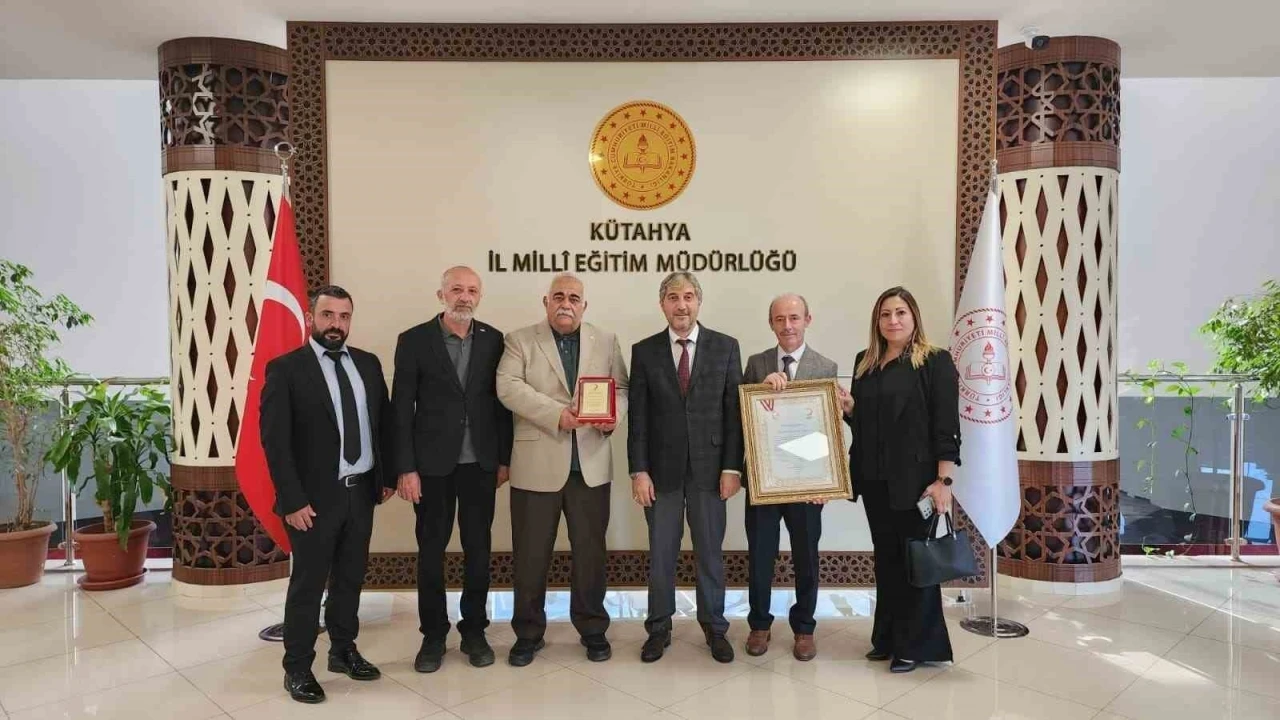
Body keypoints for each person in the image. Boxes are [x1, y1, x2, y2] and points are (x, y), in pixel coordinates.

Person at [261, 285, 396, 704]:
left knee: (350, 579)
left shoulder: (368, 364)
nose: (336, 324)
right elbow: (275, 442)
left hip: (362, 492)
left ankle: (342, 650)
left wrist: (386, 476)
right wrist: (291, 500)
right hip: (313, 501)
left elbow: (384, 423)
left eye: (344, 316)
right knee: (308, 584)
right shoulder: (286, 369)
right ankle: (298, 667)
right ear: (310, 318)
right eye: (328, 315)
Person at [496, 273, 629, 666]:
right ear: (546, 302)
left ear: (584, 305)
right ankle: (528, 633)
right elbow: (507, 386)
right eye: (558, 296)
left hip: (590, 467)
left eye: (573, 297)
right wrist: (557, 414)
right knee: (530, 555)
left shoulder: (606, 340)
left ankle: (592, 628)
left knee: (590, 554)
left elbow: (621, 388)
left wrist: (612, 417)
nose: (566, 303)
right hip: (536, 465)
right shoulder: (520, 340)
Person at [391, 266, 513, 673]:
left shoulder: (494, 340)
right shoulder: (413, 341)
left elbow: (501, 406)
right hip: (430, 468)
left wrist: (504, 459)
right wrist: (405, 468)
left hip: (480, 464)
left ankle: (474, 630)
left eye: (472, 290)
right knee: (431, 551)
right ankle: (433, 634)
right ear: (440, 295)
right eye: (457, 289)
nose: (464, 297)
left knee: (479, 549)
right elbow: (400, 409)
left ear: (480, 296)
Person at [628, 271, 743, 664]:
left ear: (699, 302)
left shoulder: (726, 346)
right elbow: (638, 419)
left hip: (711, 472)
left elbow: (734, 414)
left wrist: (732, 468)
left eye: (689, 296)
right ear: (662, 304)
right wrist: (639, 471)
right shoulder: (644, 351)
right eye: (674, 297)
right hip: (660, 473)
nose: (682, 305)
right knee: (662, 554)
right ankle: (659, 628)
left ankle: (715, 627)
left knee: (710, 552)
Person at [844, 286, 961, 673]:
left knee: (915, 565)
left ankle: (916, 647)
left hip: (916, 484)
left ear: (914, 317)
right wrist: (850, 410)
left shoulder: (935, 361)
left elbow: (946, 426)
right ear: (876, 321)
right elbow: (867, 426)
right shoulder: (865, 362)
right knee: (887, 562)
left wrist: (943, 482)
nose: (892, 320)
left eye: (900, 313)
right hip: (875, 482)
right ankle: (888, 639)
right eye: (885, 314)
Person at [742, 293, 848, 661]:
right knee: (760, 555)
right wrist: (760, 389)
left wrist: (827, 480)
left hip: (807, 484)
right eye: (780, 319)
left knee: (806, 556)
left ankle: (804, 628)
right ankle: (759, 624)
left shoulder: (826, 366)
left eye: (794, 318)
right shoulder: (756, 364)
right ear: (771, 323)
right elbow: (743, 418)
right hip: (765, 480)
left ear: (807, 319)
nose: (787, 326)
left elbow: (829, 428)